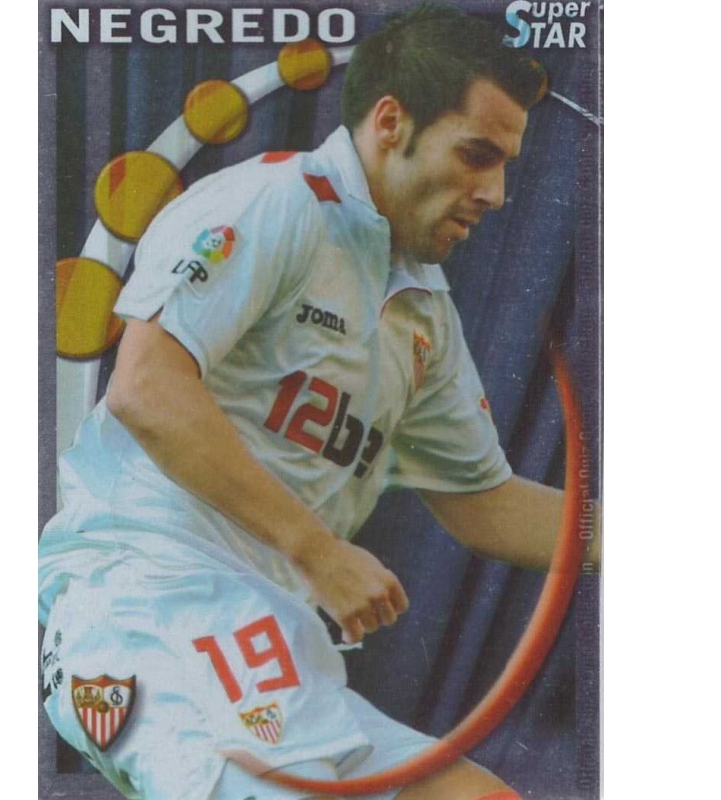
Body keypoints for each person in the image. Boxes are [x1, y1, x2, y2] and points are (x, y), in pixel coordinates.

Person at [39, 5, 600, 799]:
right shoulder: (273, 203)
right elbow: (146, 389)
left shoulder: (422, 311)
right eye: (476, 155)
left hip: (268, 641)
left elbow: (484, 503)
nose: (498, 193)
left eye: (507, 165)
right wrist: (318, 550)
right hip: (144, 601)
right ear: (391, 124)